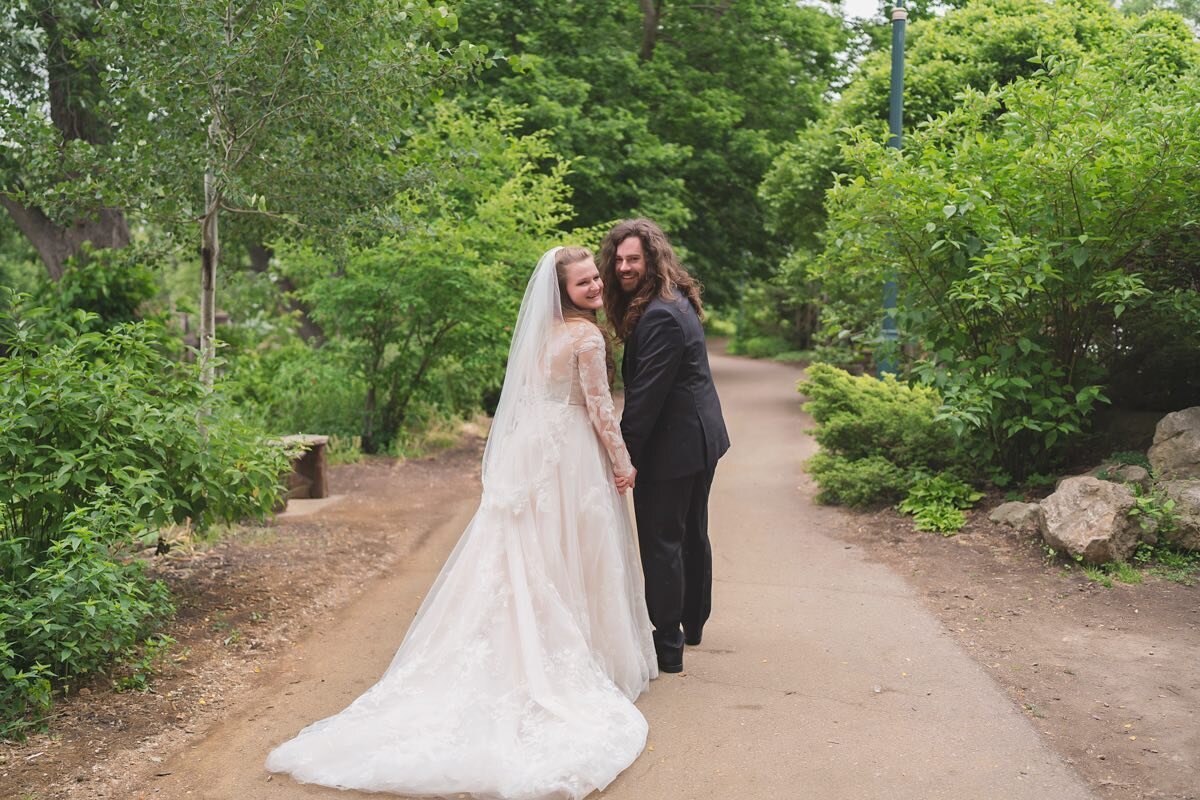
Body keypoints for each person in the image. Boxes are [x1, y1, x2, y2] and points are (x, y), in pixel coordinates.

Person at [265, 247, 657, 799]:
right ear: (562, 289)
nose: (596, 286)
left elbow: (522, 403)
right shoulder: (587, 339)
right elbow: (598, 408)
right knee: (573, 546)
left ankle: (534, 642)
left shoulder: (541, 335)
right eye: (585, 282)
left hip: (531, 452)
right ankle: (578, 656)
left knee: (532, 550)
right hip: (568, 455)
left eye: (597, 278)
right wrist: (622, 463)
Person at [599, 219, 730, 675]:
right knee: (691, 532)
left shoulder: (658, 315)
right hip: (698, 437)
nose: (623, 267)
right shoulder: (672, 300)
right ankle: (693, 622)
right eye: (617, 260)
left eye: (633, 258)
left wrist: (623, 457)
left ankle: (669, 644)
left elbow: (645, 401)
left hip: (674, 446)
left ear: (652, 259)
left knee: (662, 542)